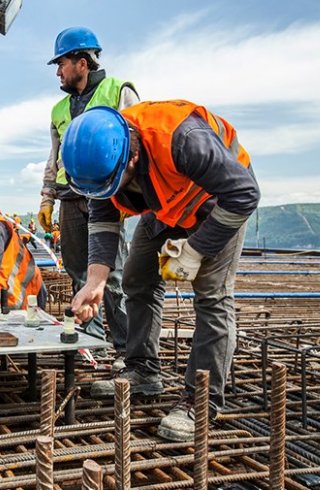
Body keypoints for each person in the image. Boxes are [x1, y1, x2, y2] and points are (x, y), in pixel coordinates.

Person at [63, 101, 260, 442]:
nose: (108, 194)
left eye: (113, 184)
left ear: (132, 156)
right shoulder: (99, 163)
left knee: (212, 296)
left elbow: (244, 194)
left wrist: (195, 251)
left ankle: (201, 401)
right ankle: (142, 369)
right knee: (136, 276)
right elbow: (103, 217)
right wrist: (95, 281)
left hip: (221, 203)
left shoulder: (183, 140)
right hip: (169, 204)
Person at [38, 26, 138, 367]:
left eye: (61, 63)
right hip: (70, 196)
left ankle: (126, 348)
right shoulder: (58, 110)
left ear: (82, 62)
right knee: (79, 271)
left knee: (113, 275)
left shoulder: (117, 90)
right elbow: (54, 158)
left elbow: (134, 143)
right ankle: (93, 345)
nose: (58, 72)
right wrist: (46, 198)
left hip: (109, 193)